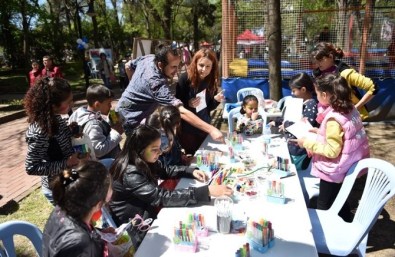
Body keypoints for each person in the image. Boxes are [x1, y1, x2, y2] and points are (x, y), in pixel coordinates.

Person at [109, 125, 233, 246]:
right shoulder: (130, 173)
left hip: (148, 213)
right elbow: (162, 197)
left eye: (159, 147)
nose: (160, 152)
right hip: (137, 227)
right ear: (140, 149)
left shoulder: (142, 159)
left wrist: (190, 171)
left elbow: (165, 170)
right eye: (154, 149)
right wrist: (205, 191)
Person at [291, 74, 370, 222]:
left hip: (333, 169)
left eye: (317, 93)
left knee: (324, 204)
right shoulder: (349, 109)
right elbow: (343, 135)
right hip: (346, 164)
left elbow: (332, 151)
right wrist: (320, 131)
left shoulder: (333, 119)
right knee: (339, 197)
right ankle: (347, 221)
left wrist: (306, 143)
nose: (316, 96)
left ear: (325, 95)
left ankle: (325, 233)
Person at [116, 44, 223, 144]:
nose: (176, 71)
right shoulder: (156, 85)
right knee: (138, 153)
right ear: (160, 65)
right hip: (130, 118)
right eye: (173, 67)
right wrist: (211, 129)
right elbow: (181, 112)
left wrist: (134, 86)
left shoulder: (149, 58)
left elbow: (128, 66)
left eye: (178, 66)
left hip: (124, 106)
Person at [24, 77, 84, 203]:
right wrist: (66, 163)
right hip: (57, 187)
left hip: (67, 178)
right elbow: (32, 167)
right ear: (53, 105)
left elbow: (59, 141)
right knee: (74, 220)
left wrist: (72, 132)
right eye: (68, 102)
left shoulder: (55, 118)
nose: (72, 104)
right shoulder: (40, 131)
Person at [42, 160, 112, 257]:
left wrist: (100, 236)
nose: (112, 189)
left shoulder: (63, 207)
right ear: (99, 204)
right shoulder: (80, 244)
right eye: (110, 187)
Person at [311, 42, 378, 120]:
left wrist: (356, 107)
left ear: (331, 57)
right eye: (316, 60)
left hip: (348, 117)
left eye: (321, 60)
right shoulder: (317, 74)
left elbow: (373, 87)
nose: (317, 64)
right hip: (327, 117)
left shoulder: (345, 73)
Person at [175, 48, 224, 154]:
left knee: (206, 156)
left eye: (208, 66)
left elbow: (208, 107)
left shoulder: (211, 80)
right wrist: (188, 103)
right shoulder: (185, 78)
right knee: (192, 159)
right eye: (201, 65)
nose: (204, 70)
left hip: (205, 128)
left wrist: (216, 100)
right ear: (195, 63)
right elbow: (176, 106)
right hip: (188, 130)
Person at [272, 73, 319, 170]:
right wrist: (277, 122)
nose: (292, 94)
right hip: (292, 146)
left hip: (299, 150)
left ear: (303, 89)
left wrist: (286, 124)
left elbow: (306, 125)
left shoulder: (311, 104)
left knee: (287, 169)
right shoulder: (299, 103)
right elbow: (291, 117)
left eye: (294, 91)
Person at [69, 84, 123, 160]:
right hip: (104, 165)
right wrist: (116, 133)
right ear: (97, 104)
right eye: (108, 103)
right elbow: (98, 150)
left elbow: (100, 132)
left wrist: (109, 122)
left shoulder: (80, 113)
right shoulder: (93, 124)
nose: (111, 106)